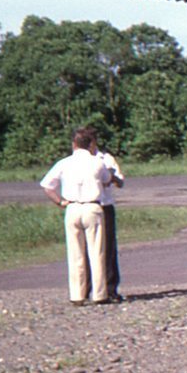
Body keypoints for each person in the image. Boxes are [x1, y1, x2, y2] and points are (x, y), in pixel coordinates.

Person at [39, 128, 114, 306]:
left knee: (75, 254)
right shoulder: (97, 162)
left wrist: (60, 201)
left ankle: (77, 295)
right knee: (96, 252)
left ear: (74, 144)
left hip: (72, 207)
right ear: (91, 144)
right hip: (92, 207)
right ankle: (99, 294)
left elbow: (47, 186)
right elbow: (107, 179)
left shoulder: (64, 163)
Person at [88, 134, 127, 303]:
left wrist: (111, 178)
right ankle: (89, 288)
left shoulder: (105, 158)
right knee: (87, 248)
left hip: (105, 204)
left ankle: (111, 288)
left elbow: (119, 180)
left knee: (109, 247)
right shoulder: (77, 160)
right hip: (88, 204)